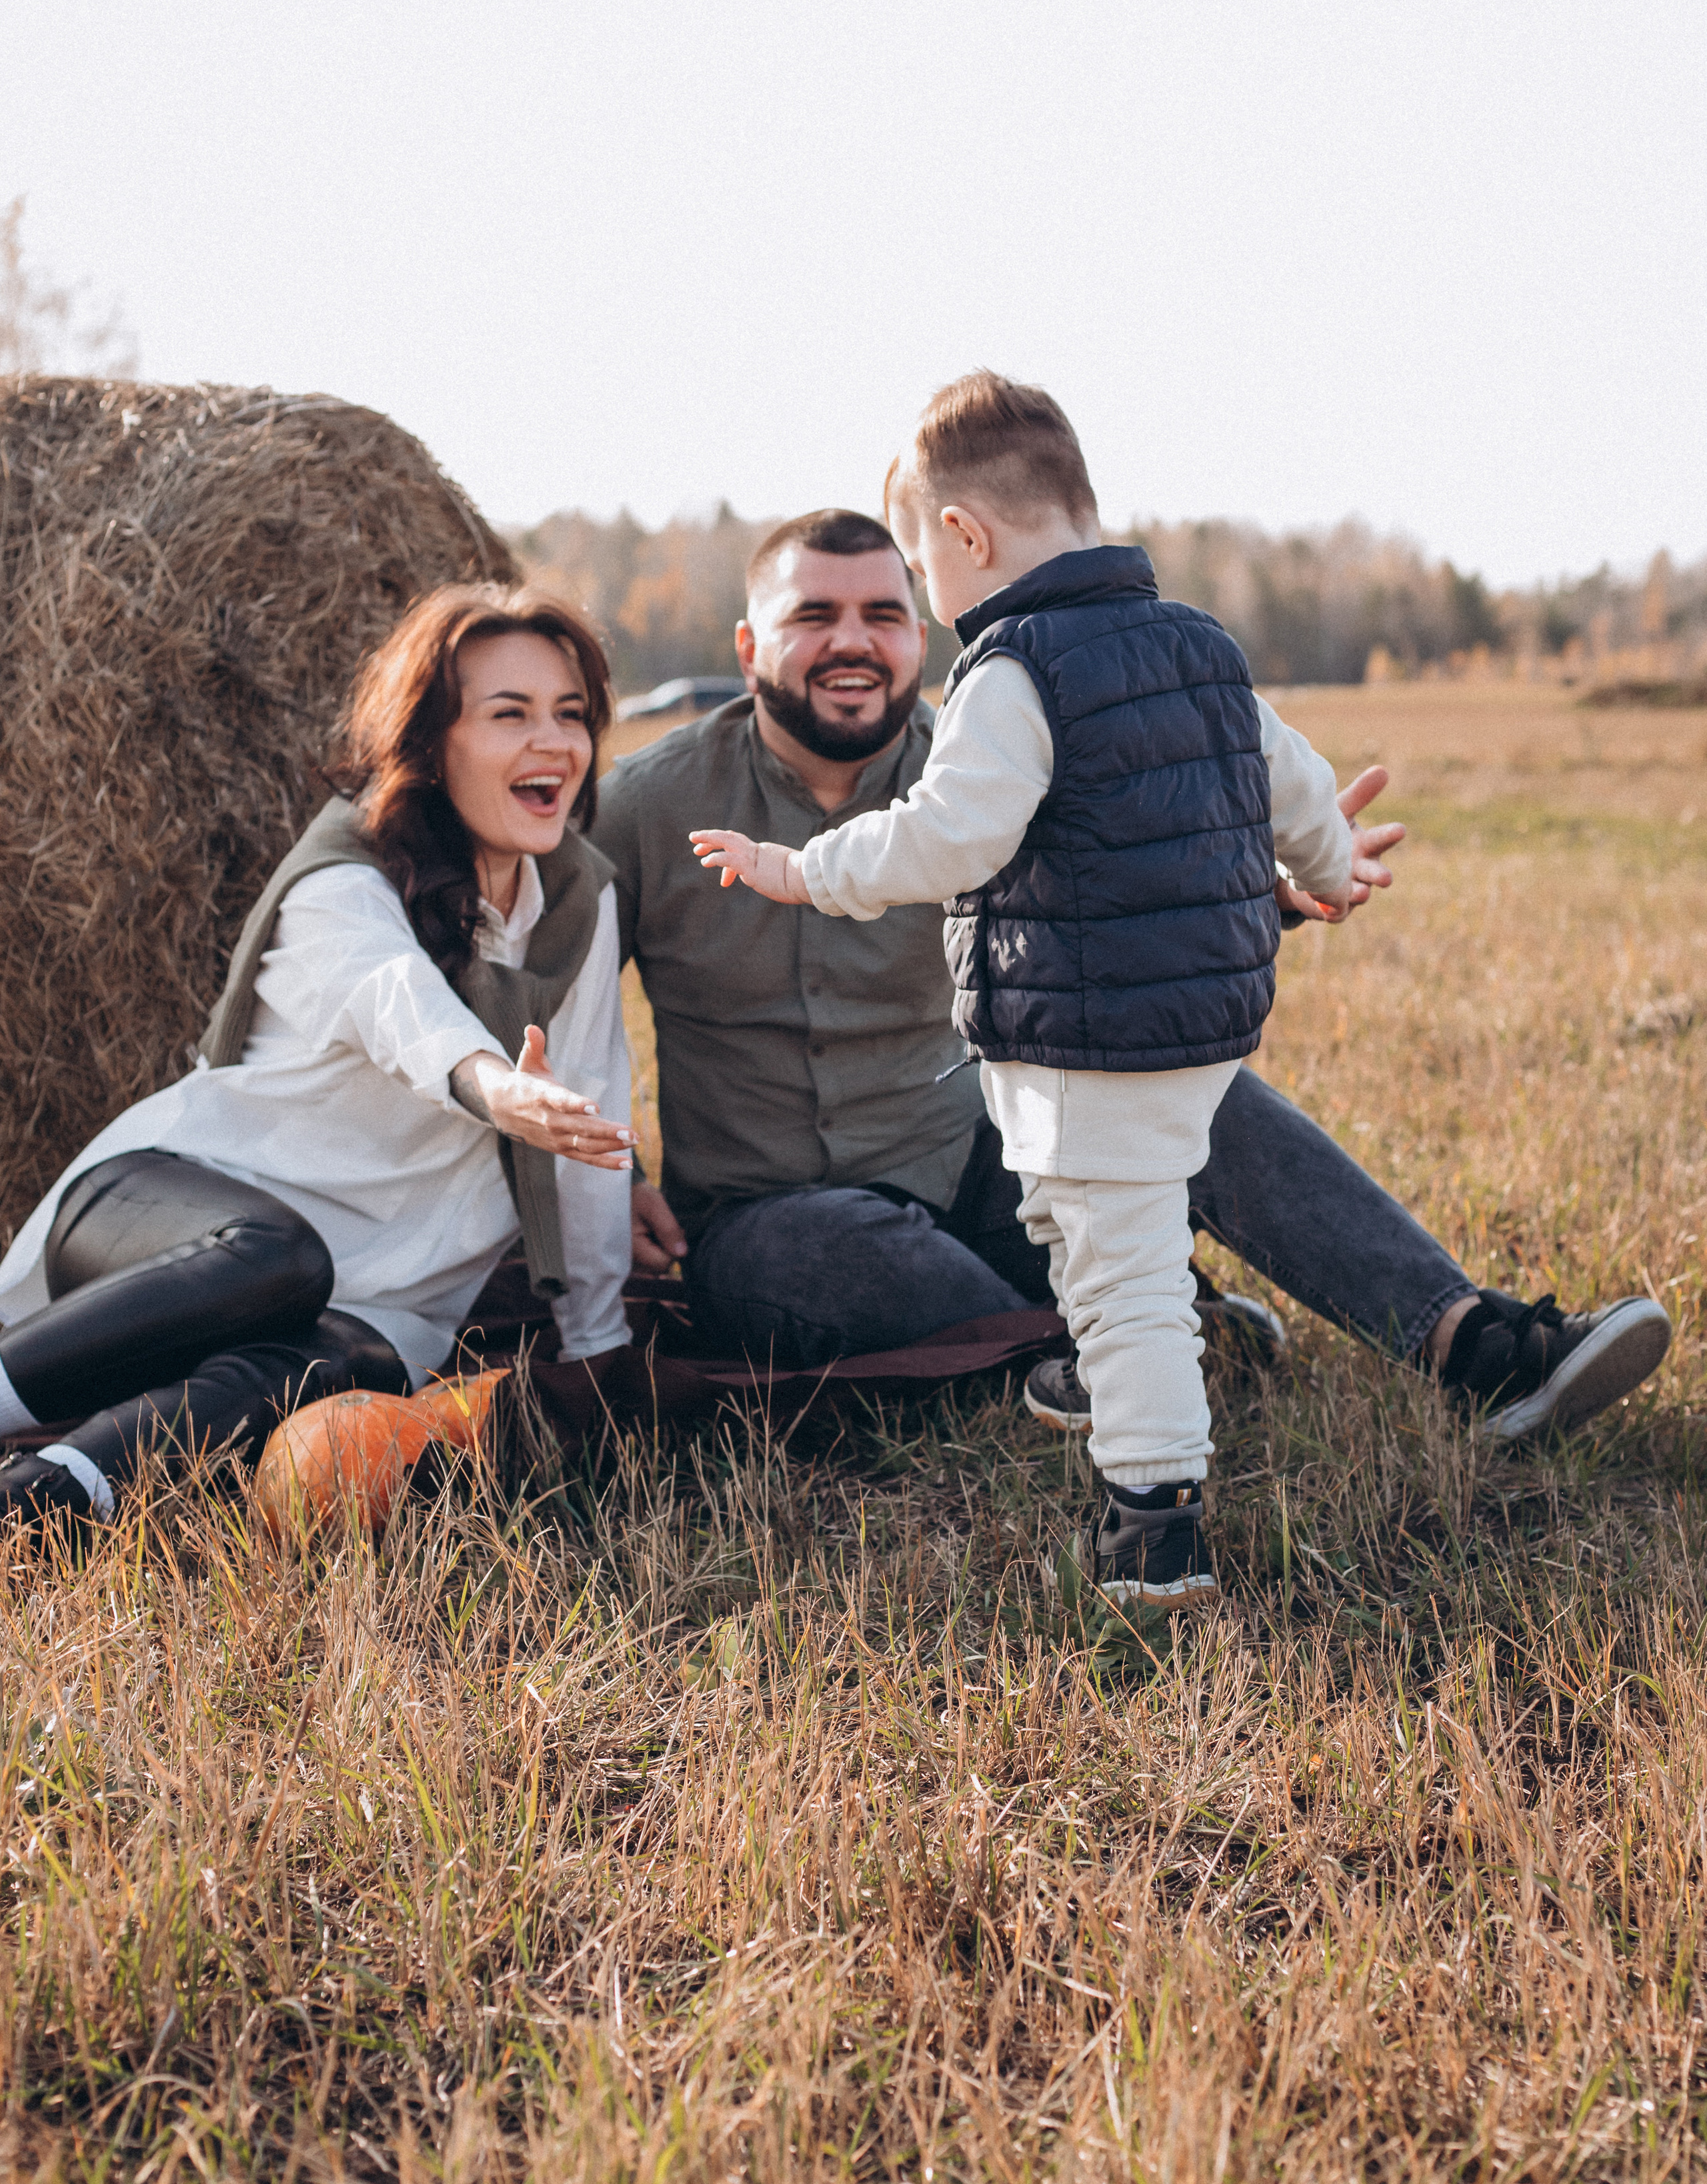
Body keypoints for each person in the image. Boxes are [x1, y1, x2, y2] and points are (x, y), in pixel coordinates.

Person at [597, 415, 1670, 1526]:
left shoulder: (993, 747)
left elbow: (1121, 908)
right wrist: (614, 1170)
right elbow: (554, 989)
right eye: (814, 617)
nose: (854, 641)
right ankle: (1144, 1334)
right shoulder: (648, 802)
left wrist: (1271, 889)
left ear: (921, 626)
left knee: (1189, 1095)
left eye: (883, 610)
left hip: (980, 1167)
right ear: (746, 646)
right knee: (821, 1262)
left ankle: (1476, 1341)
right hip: (775, 1212)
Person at [0, 584, 637, 1530]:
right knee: (277, 1258)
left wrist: (596, 1347)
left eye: (571, 714)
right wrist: (492, 1085)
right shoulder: (342, 878)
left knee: (329, 1363)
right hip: (166, 1219)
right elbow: (400, 1006)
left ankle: (42, 1503)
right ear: (432, 741)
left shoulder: (578, 900)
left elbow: (589, 1134)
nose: (556, 743)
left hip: (381, 1296)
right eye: (511, 715)